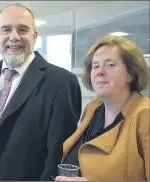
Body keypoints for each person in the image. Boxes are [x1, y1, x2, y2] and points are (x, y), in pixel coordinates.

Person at [0, 3, 82, 181]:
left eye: (22, 29)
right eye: (6, 30)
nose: (14, 37)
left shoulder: (61, 82)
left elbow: (58, 155)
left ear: (35, 36)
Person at [55, 35, 149, 181]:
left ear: (131, 74)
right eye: (95, 66)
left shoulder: (145, 115)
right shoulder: (93, 107)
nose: (100, 72)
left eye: (110, 65)